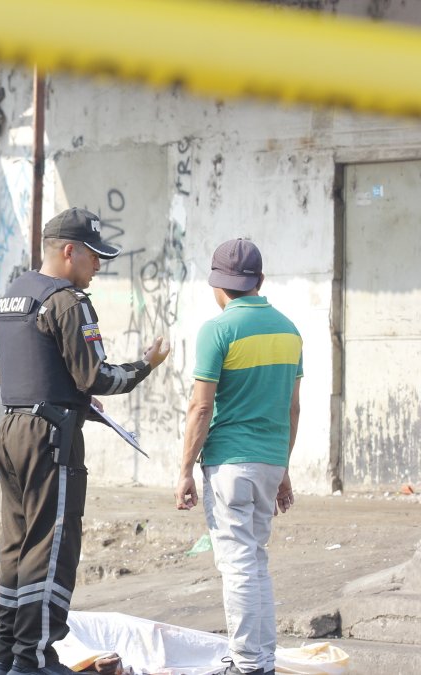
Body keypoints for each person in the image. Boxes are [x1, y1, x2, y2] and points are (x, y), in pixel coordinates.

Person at [0, 207, 170, 675]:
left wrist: (71, 400)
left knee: (17, 546)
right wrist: (146, 364)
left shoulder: (14, 294)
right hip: (50, 438)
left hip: (12, 429)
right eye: (94, 256)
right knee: (52, 547)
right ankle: (36, 657)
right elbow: (98, 376)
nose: (100, 265)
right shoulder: (68, 301)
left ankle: (8, 655)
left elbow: (24, 370)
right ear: (69, 252)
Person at [174, 239, 301, 675]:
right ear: (259, 282)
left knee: (238, 565)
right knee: (256, 560)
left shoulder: (218, 330)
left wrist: (185, 469)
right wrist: (283, 468)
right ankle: (260, 659)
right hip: (269, 464)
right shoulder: (289, 331)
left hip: (229, 464)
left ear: (216, 284)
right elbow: (292, 408)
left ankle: (248, 664)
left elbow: (201, 407)